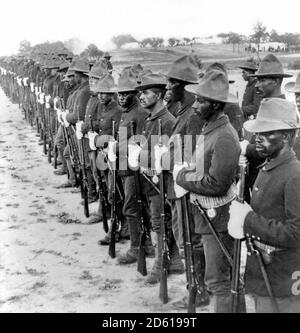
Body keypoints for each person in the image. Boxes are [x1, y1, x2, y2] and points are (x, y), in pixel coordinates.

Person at [174, 69, 241, 312]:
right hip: (209, 216)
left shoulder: (223, 136)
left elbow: (216, 184)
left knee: (218, 281)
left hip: (218, 219)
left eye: (200, 101)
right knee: (225, 278)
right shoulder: (211, 129)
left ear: (214, 105)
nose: (194, 105)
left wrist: (182, 177)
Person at [228, 98, 300, 313]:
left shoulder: (294, 175)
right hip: (265, 271)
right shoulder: (269, 166)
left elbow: (296, 233)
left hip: (284, 279)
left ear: (286, 137)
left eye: (267, 133)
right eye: (257, 133)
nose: (257, 139)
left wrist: (248, 220)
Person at [132, 72, 184, 284]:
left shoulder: (169, 121)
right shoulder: (151, 119)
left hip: (162, 184)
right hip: (151, 182)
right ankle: (175, 262)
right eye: (140, 93)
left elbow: (179, 157)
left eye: (146, 93)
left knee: (160, 223)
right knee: (162, 221)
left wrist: (155, 159)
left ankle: (160, 264)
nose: (141, 97)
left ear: (160, 94)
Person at [240, 54, 293, 203]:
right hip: (258, 181)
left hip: (273, 187)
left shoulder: (282, 111)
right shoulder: (267, 106)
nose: (257, 85)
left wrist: (246, 149)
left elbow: (275, 148)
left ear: (276, 81)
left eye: (262, 80)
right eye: (257, 80)